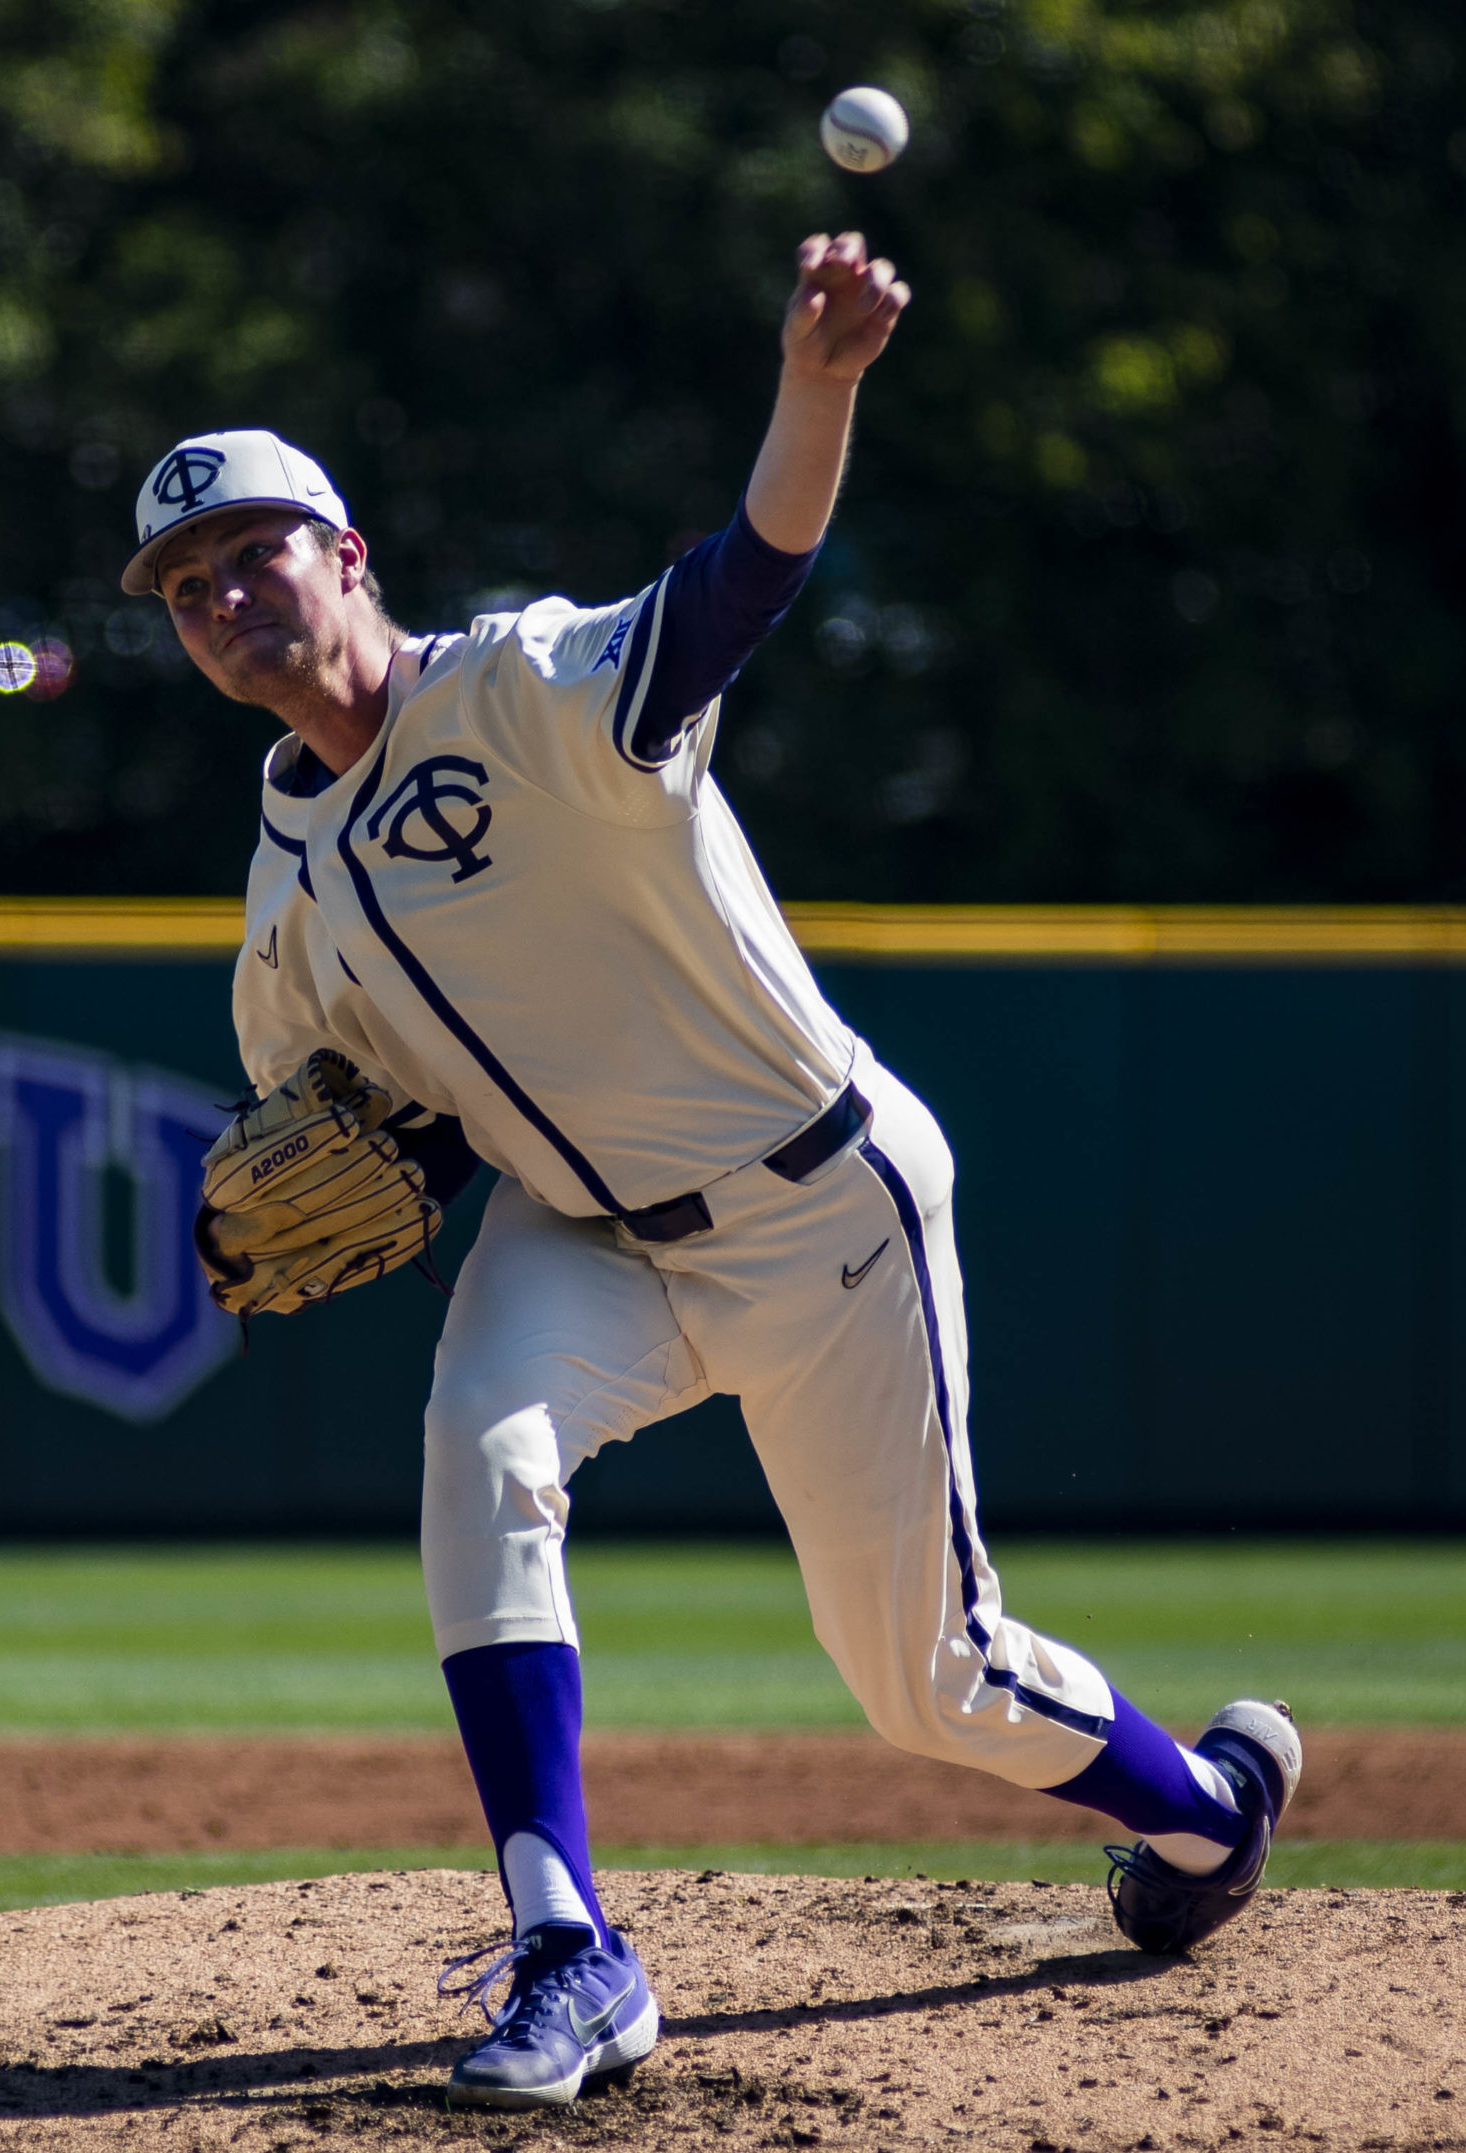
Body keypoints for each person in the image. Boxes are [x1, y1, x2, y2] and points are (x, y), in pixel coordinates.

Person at [131, 232, 1300, 2110]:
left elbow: (744, 579)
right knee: (478, 1449)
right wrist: (350, 1182)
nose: (221, 594)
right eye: (185, 586)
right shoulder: (282, 903)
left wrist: (818, 386)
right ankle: (569, 1946)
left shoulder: (527, 684)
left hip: (822, 1205)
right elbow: (369, 1138)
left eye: (253, 548)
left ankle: (1208, 1815)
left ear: (348, 554)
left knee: (923, 1678)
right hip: (581, 1240)